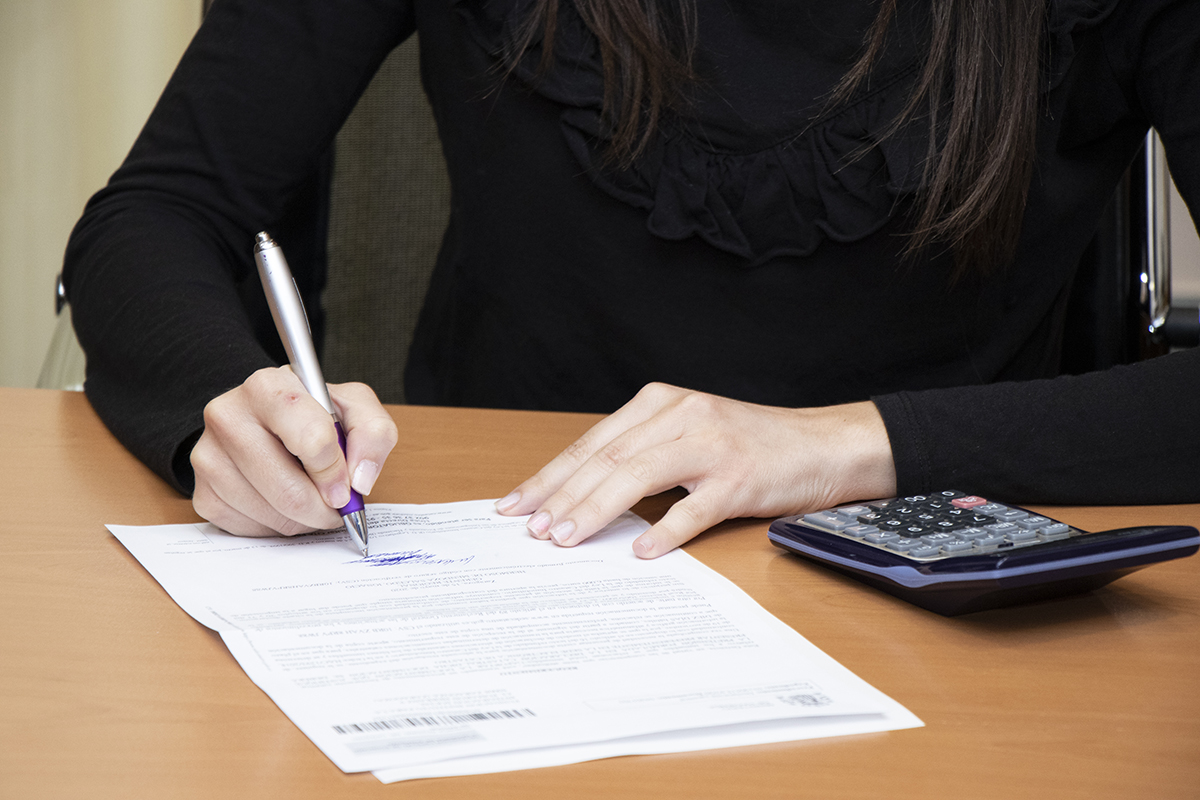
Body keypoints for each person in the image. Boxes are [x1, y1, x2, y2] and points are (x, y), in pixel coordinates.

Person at [63, 0, 1200, 558]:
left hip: (949, 596)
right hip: (507, 568)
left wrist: (844, 443)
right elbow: (156, 217)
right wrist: (231, 404)